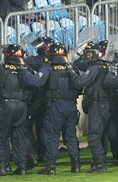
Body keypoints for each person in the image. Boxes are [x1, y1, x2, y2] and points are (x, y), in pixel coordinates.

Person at [0, 45, 45, 176]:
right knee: (19, 136)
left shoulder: (0, 68)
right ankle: (21, 166)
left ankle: (2, 166)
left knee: (0, 135)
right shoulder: (26, 70)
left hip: (6, 105)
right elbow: (35, 86)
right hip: (22, 106)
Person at [21, 43, 83, 175]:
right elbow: (79, 85)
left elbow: (35, 82)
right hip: (71, 105)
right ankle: (76, 165)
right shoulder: (72, 68)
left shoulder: (48, 68)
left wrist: (23, 71)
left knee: (52, 137)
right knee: (71, 137)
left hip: (56, 107)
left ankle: (50, 167)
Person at [73, 42, 115, 173]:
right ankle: (99, 161)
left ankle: (100, 164)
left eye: (90, 53)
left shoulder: (95, 67)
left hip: (97, 104)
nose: (88, 56)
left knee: (94, 136)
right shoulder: (107, 66)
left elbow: (79, 82)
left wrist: (71, 72)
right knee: (102, 136)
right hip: (106, 104)